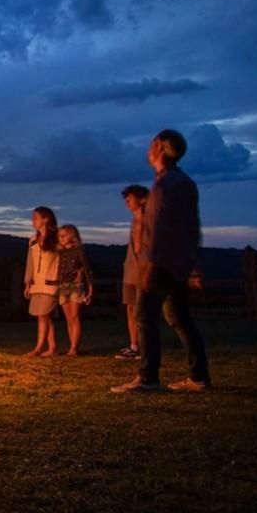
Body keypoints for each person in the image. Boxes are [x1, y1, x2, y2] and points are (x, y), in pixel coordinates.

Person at [112, 129, 211, 393]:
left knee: (145, 316)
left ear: (160, 147)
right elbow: (192, 227)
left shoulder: (165, 184)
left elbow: (157, 229)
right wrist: (192, 263)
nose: (148, 148)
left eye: (151, 143)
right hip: (178, 263)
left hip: (161, 264)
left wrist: (148, 264)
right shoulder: (184, 182)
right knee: (179, 318)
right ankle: (199, 377)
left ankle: (148, 378)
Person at [117, 184, 150, 359]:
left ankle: (146, 346)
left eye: (129, 199)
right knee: (130, 307)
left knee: (142, 309)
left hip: (143, 269)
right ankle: (134, 345)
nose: (127, 203)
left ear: (142, 199)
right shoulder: (134, 221)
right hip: (130, 269)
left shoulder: (150, 220)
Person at [23, 206, 60, 357]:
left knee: (44, 314)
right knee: (42, 316)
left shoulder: (57, 238)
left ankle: (38, 348)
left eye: (36, 218)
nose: (33, 221)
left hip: (50, 283)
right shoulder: (33, 240)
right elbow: (30, 263)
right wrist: (27, 283)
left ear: (46, 219)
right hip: (36, 284)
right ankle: (52, 348)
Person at [55, 224, 95, 356]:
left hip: (76, 286)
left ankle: (74, 348)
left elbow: (87, 270)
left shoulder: (79, 251)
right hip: (63, 286)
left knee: (74, 316)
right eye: (59, 236)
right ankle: (71, 347)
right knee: (68, 319)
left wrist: (90, 289)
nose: (61, 238)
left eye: (64, 235)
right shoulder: (61, 252)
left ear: (72, 236)